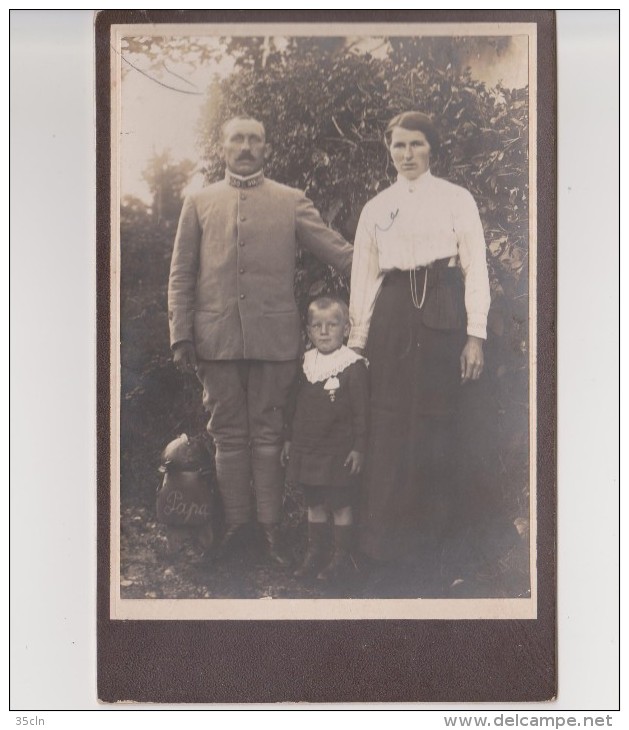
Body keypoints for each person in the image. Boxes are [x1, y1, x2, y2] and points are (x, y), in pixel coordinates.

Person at [168, 116, 353, 565]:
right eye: (237, 138)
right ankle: (237, 529)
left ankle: (269, 533)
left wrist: (385, 273)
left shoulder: (290, 201)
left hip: (275, 340)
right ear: (223, 145)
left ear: (266, 147)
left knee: (269, 433)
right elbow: (181, 274)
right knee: (228, 434)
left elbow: (336, 250)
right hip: (216, 339)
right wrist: (180, 334)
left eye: (254, 139)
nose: (246, 146)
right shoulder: (199, 202)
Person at [348, 111, 491, 567]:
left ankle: (437, 545)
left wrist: (475, 335)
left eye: (417, 145)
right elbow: (364, 277)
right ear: (388, 150)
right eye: (399, 146)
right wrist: (357, 343)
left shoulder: (457, 199)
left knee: (437, 421)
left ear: (432, 148)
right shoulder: (376, 207)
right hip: (391, 314)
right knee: (390, 421)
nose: (407, 154)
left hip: (442, 311)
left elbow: (476, 268)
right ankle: (385, 546)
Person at [281, 297, 368, 582]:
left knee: (341, 503)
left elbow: (361, 412)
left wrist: (358, 447)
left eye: (332, 325)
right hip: (309, 449)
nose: (324, 332)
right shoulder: (306, 363)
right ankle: (315, 553)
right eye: (317, 326)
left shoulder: (353, 365)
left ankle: (341, 557)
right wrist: (289, 440)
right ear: (308, 331)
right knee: (314, 503)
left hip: (339, 451)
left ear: (345, 329)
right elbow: (293, 406)